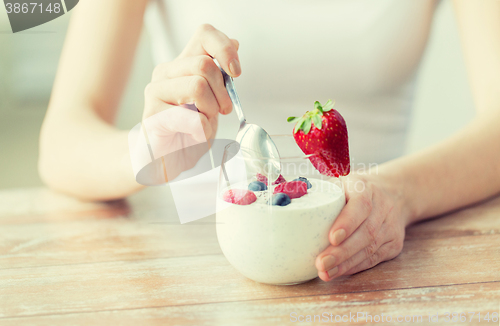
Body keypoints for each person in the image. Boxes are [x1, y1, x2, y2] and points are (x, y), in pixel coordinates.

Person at [38, 0, 500, 282]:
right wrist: (149, 150)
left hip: (375, 252)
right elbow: (61, 140)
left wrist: (401, 193)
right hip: (197, 260)